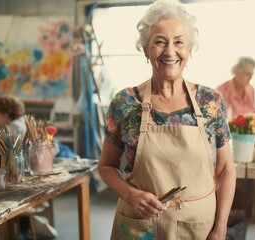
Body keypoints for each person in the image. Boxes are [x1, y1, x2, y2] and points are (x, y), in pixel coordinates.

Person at [97, 0, 236, 239]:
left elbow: (226, 170)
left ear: (189, 49)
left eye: (179, 42)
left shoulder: (210, 102)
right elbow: (106, 166)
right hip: (140, 227)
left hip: (199, 227)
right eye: (159, 41)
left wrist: (221, 227)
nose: (170, 51)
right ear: (145, 49)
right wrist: (131, 195)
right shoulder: (125, 103)